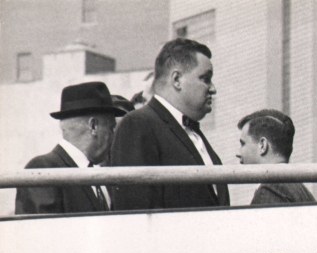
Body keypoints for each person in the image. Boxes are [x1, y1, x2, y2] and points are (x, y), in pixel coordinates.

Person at [108, 38, 229, 210]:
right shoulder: (137, 125)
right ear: (177, 79)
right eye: (205, 79)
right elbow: (134, 213)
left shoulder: (193, 133)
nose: (213, 88)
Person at [15, 81, 122, 215]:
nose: (113, 136)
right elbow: (40, 232)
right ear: (93, 126)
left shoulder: (98, 174)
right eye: (111, 128)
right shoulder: (43, 169)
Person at [236, 109, 315, 205]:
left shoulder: (271, 190)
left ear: (262, 145)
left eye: (243, 144)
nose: (238, 153)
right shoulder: (300, 190)